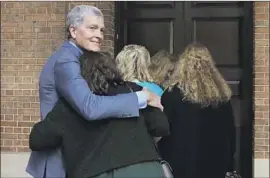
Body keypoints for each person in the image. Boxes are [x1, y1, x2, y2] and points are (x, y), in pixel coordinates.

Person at [26, 5, 163, 178]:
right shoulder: (66, 60)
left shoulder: (79, 57)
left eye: (101, 30)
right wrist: (142, 97)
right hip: (58, 157)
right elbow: (90, 107)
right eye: (92, 28)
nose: (99, 35)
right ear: (73, 31)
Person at [29, 51, 170, 178]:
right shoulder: (134, 90)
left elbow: (37, 139)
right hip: (144, 168)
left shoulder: (72, 103)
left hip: (93, 171)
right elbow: (161, 127)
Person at [158, 43, 237, 178]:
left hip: (180, 162)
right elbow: (230, 133)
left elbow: (163, 129)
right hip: (216, 162)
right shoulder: (221, 96)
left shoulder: (172, 94)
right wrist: (230, 164)